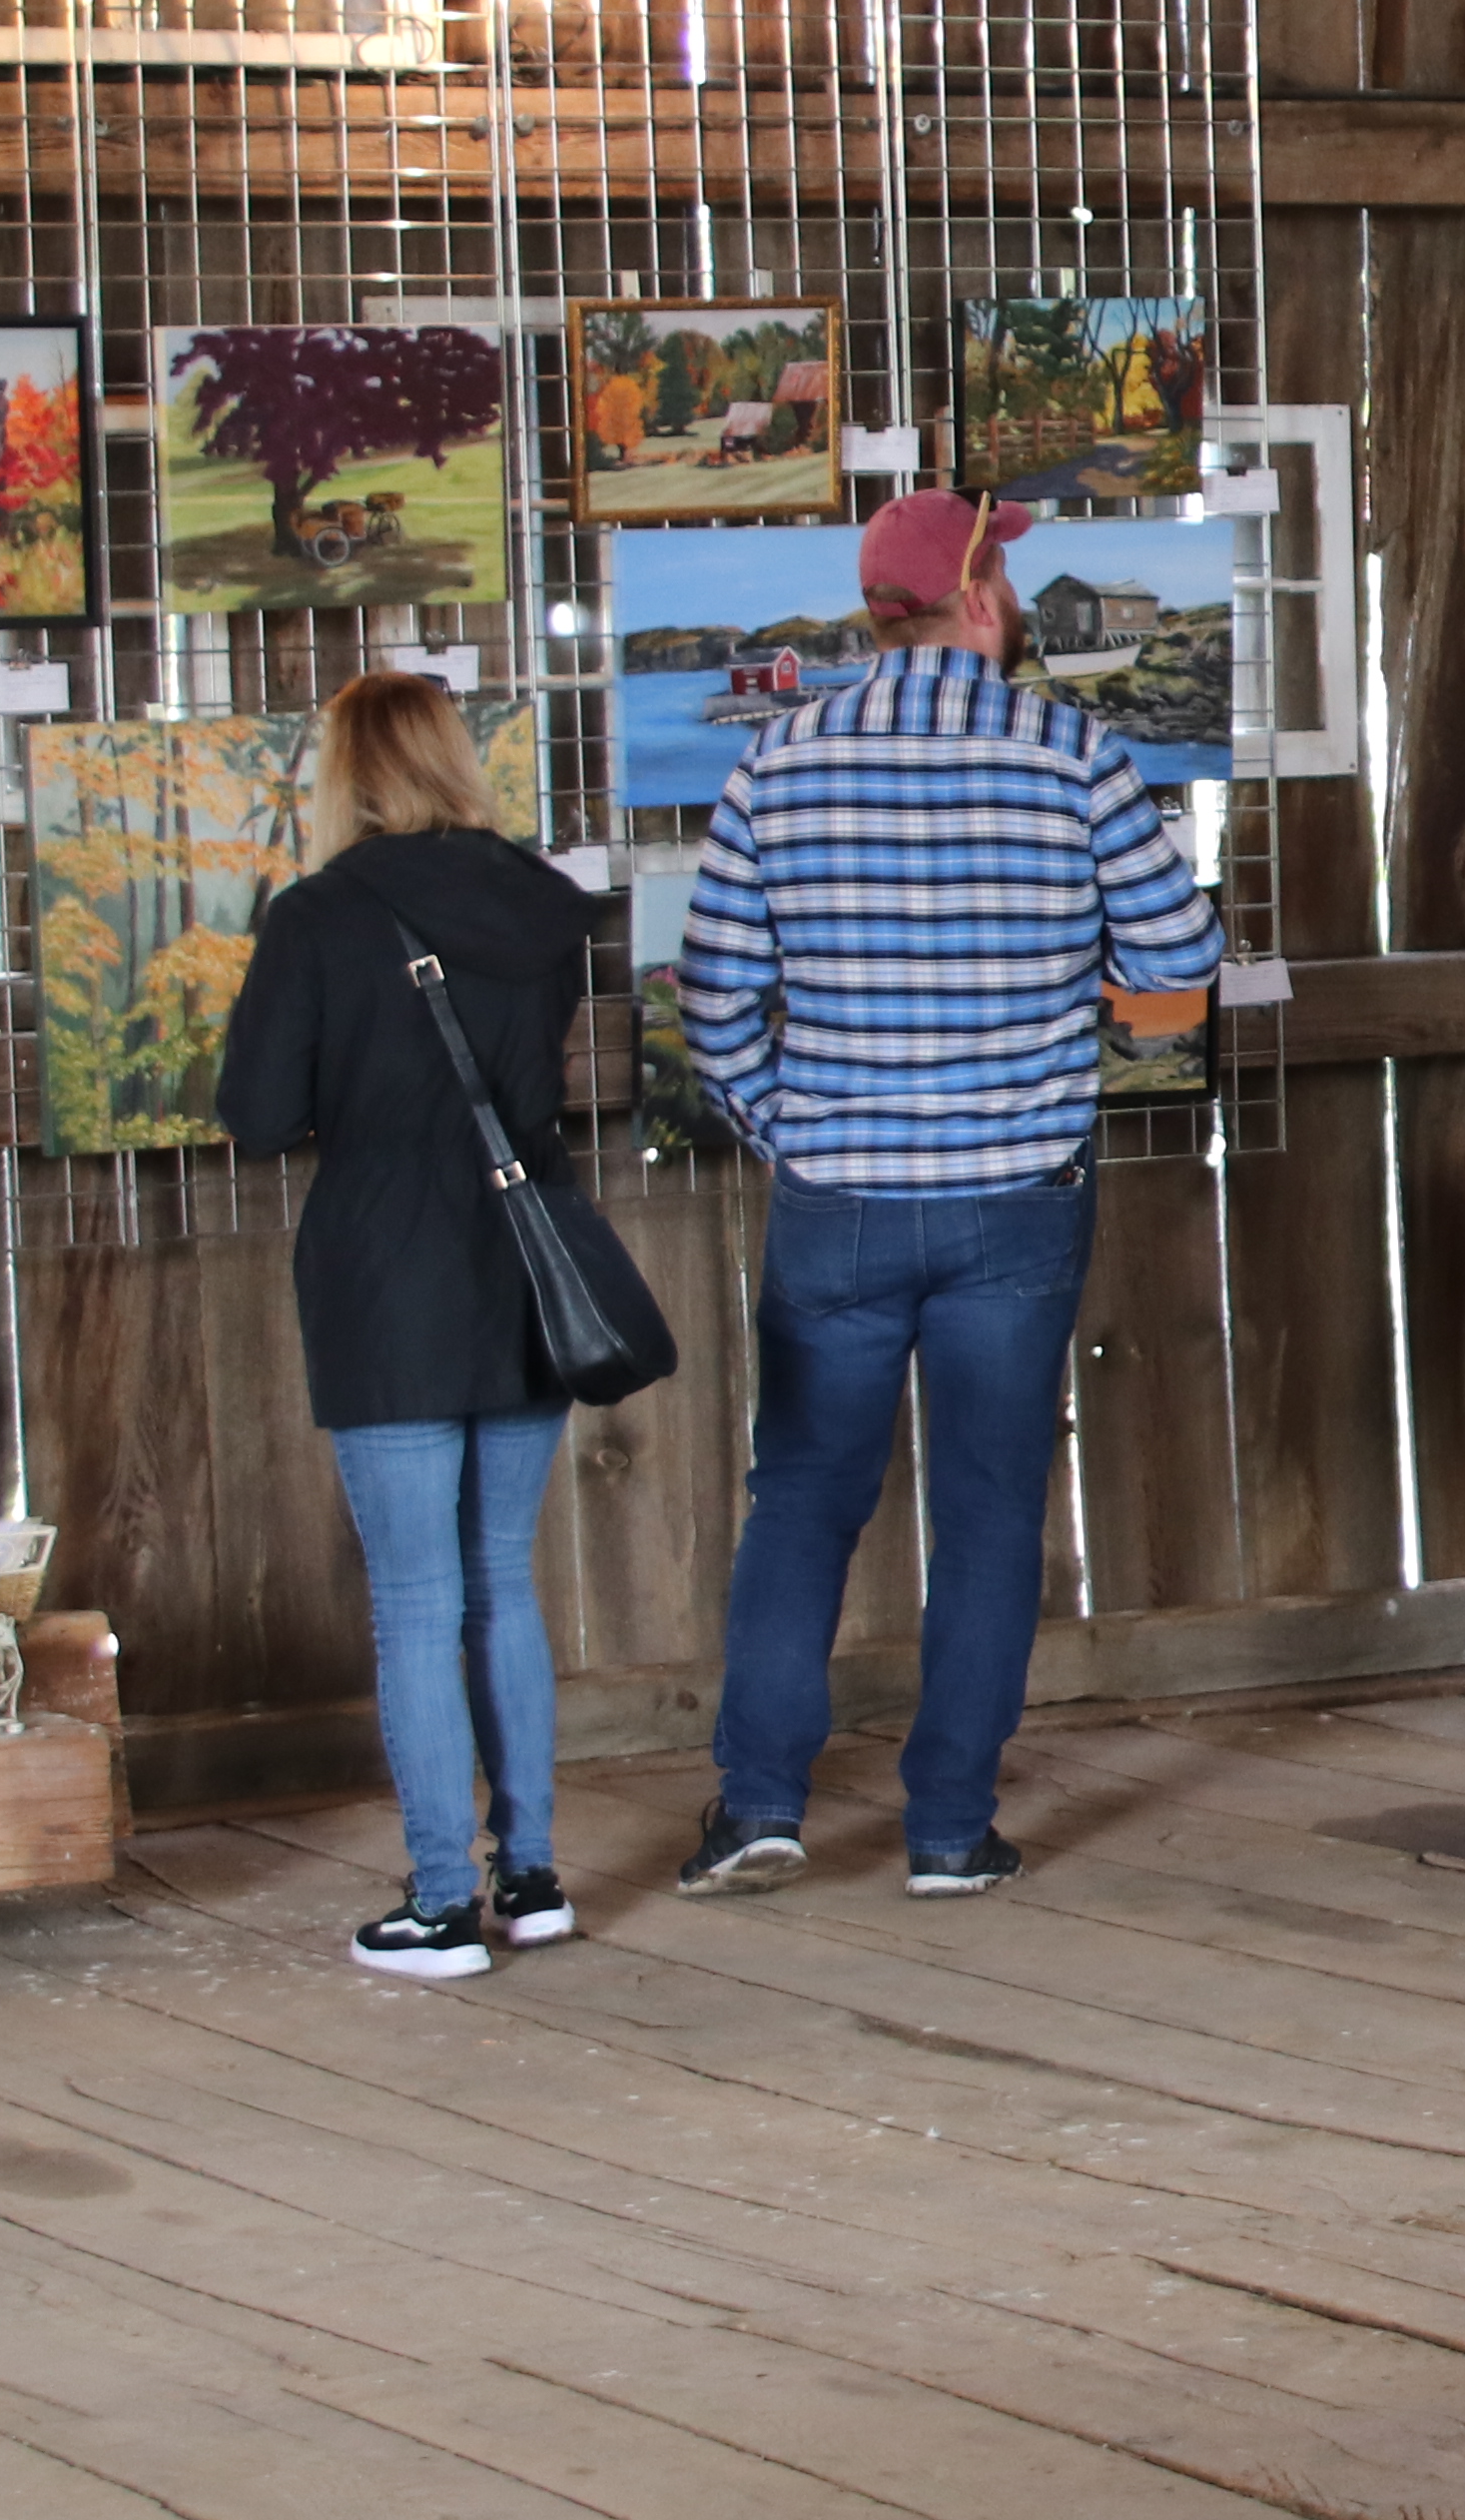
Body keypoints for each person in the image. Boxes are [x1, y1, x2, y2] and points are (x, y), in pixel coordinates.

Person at [674, 487, 1219, 1901]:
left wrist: (786, 1123)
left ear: (878, 613)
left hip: (838, 1197)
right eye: (1010, 580)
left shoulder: (775, 764)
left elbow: (716, 998)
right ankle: (946, 1831)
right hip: (1018, 1196)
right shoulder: (1073, 752)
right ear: (977, 597)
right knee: (987, 1512)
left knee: (800, 1504)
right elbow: (1179, 954)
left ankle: (757, 1808)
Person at [215, 667, 616, 1981]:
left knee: (414, 1597)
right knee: (502, 1578)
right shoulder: (545, 904)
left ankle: (442, 1903)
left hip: (387, 1270)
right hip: (525, 1263)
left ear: (347, 772)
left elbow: (261, 1113)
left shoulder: (321, 916)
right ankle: (535, 1877)